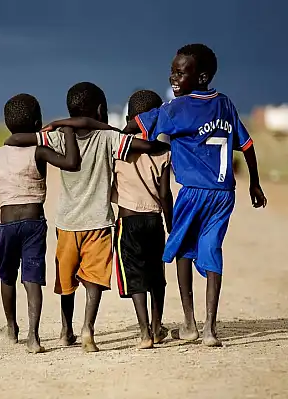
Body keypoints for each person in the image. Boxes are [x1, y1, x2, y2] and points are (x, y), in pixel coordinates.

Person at [4, 82, 169, 352]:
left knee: (66, 282)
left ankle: (65, 330)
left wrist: (58, 125)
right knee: (94, 280)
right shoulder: (110, 138)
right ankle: (87, 329)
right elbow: (149, 147)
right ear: (101, 110)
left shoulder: (57, 137)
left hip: (67, 223)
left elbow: (15, 140)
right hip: (99, 222)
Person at [131, 44, 267, 347]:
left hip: (193, 194)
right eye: (173, 71)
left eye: (181, 72)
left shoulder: (177, 108)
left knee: (182, 249)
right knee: (212, 250)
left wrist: (109, 131)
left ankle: (190, 323)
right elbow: (246, 145)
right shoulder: (225, 104)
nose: (173, 77)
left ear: (202, 76)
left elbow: (139, 124)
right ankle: (210, 329)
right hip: (223, 194)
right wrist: (254, 183)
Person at [0, 93, 82, 354]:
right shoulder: (39, 151)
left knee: (7, 277)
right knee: (32, 279)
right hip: (33, 224)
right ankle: (33, 337)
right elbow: (72, 163)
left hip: (6, 226)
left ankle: (11, 326)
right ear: (38, 121)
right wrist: (69, 131)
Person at [112, 89, 173, 349]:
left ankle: (144, 332)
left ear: (128, 117)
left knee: (135, 276)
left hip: (128, 221)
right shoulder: (162, 152)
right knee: (156, 276)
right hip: (154, 220)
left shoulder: (118, 146)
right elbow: (165, 193)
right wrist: (171, 224)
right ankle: (158, 327)